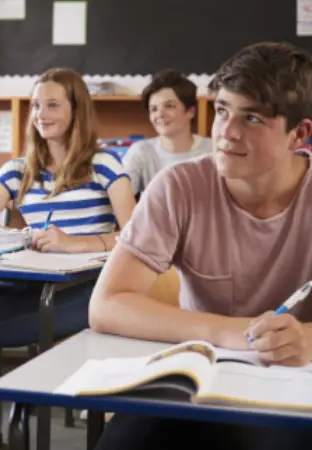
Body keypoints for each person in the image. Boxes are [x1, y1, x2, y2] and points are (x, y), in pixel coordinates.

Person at [89, 42, 312, 450]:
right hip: (198, 374)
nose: (227, 132)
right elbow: (106, 304)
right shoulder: (179, 186)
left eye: (253, 117)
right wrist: (231, 331)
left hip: (292, 384)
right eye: (223, 110)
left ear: (299, 134)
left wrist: (309, 338)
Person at [0, 68, 136, 449]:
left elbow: (137, 238)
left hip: (89, 290)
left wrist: (79, 243)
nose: (41, 113)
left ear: (76, 111)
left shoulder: (104, 164)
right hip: (30, 283)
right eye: (36, 105)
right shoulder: (18, 170)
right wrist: (22, 236)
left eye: (53, 104)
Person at [123, 69, 213, 195]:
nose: (160, 114)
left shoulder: (212, 151)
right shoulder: (141, 152)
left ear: (190, 112)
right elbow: (120, 198)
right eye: (153, 109)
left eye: (169, 106)